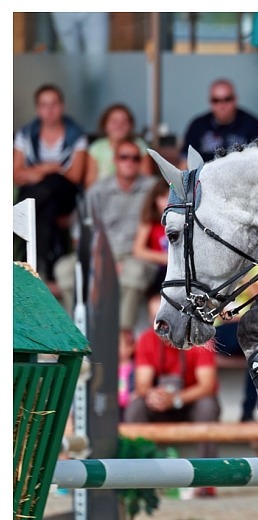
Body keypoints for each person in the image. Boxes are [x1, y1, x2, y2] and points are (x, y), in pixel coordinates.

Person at [54, 137, 159, 336]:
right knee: (64, 269)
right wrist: (98, 259)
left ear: (140, 162)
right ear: (115, 161)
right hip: (98, 254)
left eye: (135, 158)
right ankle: (75, 331)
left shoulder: (153, 188)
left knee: (134, 273)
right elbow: (79, 230)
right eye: (124, 157)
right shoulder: (97, 190)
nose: (129, 162)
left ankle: (122, 335)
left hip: (136, 256)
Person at [125, 294, 221, 468]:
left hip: (190, 404)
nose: (162, 326)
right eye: (157, 320)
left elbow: (207, 386)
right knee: (136, 406)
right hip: (161, 404)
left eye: (166, 319)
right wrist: (153, 395)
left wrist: (176, 398)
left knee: (207, 406)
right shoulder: (146, 339)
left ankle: (208, 475)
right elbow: (142, 384)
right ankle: (138, 471)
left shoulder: (198, 338)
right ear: (149, 319)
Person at [13, 84, 88, 284]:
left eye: (54, 104)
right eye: (44, 105)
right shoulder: (26, 134)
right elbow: (15, 174)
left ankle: (32, 262)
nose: (49, 110)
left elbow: (74, 176)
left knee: (53, 184)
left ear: (62, 106)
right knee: (46, 206)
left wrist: (36, 173)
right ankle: (45, 269)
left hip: (65, 194)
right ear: (38, 108)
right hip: (45, 199)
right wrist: (48, 168)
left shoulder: (76, 134)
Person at [180, 79, 258, 166]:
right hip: (204, 177)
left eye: (227, 99)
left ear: (235, 99)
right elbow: (185, 163)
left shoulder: (252, 125)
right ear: (210, 102)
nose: (222, 106)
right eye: (216, 100)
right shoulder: (197, 126)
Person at [85, 103, 153, 188]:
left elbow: (146, 179)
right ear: (105, 125)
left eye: (124, 122)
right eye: (114, 121)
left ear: (131, 125)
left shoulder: (140, 146)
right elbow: (90, 183)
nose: (119, 125)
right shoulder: (96, 148)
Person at [131, 177, 171, 293]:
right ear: (154, 200)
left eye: (170, 197)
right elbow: (138, 250)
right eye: (162, 197)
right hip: (158, 273)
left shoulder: (183, 221)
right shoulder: (150, 222)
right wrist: (165, 258)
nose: (167, 201)